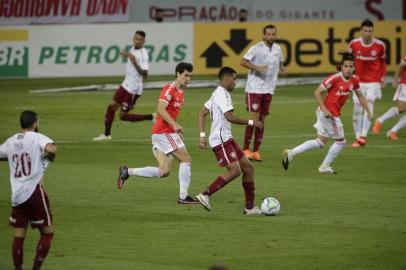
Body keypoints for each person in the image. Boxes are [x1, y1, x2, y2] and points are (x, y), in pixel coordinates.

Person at [117, 62, 199, 204]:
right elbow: (161, 109)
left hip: (163, 133)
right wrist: (174, 125)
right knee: (186, 159)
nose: (188, 79)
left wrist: (175, 129)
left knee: (164, 171)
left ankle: (127, 172)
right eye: (185, 75)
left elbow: (171, 114)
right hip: (163, 132)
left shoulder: (181, 93)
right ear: (178, 74)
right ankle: (183, 197)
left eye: (190, 76)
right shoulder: (170, 89)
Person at [282, 53, 372, 174]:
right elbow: (317, 92)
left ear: (354, 67)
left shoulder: (354, 80)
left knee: (320, 142)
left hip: (328, 113)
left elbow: (360, 95)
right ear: (341, 67)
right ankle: (324, 167)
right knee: (341, 142)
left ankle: (291, 153)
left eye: (351, 66)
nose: (348, 69)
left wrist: (368, 111)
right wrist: (325, 110)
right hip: (329, 114)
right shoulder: (334, 79)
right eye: (346, 66)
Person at [195, 67, 264, 214]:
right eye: (234, 79)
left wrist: (202, 137)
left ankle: (250, 208)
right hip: (221, 140)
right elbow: (230, 117)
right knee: (235, 170)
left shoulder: (217, 93)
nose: (235, 83)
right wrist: (252, 122)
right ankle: (205, 194)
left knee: (248, 168)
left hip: (227, 138)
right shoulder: (222, 94)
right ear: (225, 79)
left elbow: (202, 113)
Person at [0, 111, 57, 270]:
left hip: (16, 196)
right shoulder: (37, 137)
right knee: (47, 233)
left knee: (19, 235)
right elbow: (52, 149)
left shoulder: (11, 141)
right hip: (33, 192)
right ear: (34, 123)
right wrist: (49, 156)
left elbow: (2, 154)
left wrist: (12, 157)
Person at [93, 30, 154, 141]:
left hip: (133, 88)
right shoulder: (133, 49)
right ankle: (107, 135)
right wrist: (127, 54)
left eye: (140, 40)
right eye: (136, 38)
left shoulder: (143, 55)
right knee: (111, 107)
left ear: (144, 41)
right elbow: (131, 56)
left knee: (123, 116)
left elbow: (145, 74)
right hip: (125, 84)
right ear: (133, 39)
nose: (137, 41)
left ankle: (151, 117)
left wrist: (134, 62)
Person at [240, 24, 286, 161]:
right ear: (264, 35)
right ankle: (245, 149)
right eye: (269, 34)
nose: (271, 36)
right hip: (254, 88)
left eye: (273, 34)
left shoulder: (278, 48)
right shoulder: (256, 48)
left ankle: (256, 151)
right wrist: (257, 68)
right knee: (254, 119)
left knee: (262, 120)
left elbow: (280, 63)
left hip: (269, 89)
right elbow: (243, 61)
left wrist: (282, 69)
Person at [348, 19, 386, 148]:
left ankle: (363, 135)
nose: (368, 33)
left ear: (373, 31)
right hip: (357, 81)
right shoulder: (354, 44)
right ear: (361, 31)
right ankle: (358, 137)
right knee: (357, 109)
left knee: (369, 102)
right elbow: (347, 60)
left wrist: (383, 78)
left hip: (373, 81)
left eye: (370, 31)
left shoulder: (380, 45)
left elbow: (382, 63)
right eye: (365, 30)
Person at [373, 54, 406, 140]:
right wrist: (395, 79)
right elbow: (399, 66)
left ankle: (393, 131)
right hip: (405, 85)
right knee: (401, 109)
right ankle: (380, 120)